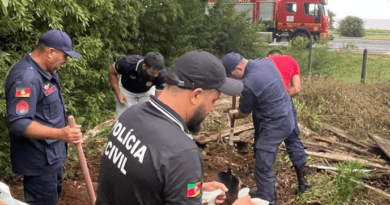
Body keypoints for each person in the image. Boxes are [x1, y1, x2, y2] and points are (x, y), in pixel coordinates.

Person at [96, 51, 258, 205]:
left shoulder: (130, 116)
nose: (212, 109)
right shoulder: (181, 152)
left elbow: (144, 185)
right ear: (196, 95)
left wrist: (196, 189)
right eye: (213, 101)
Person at [5, 30, 83, 205]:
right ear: (50, 52)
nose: (66, 61)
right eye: (65, 56)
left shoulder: (46, 73)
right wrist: (61, 134)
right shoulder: (27, 78)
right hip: (38, 163)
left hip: (51, 159)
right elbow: (19, 123)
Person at [222, 52, 300, 205]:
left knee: (263, 165)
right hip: (285, 115)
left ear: (239, 68)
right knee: (263, 157)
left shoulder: (249, 83)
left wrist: (234, 115)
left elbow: (244, 112)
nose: (234, 79)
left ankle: (268, 200)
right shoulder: (265, 62)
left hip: (275, 124)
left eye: (233, 76)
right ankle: (265, 192)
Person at [267, 50, 311, 193]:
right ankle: (303, 182)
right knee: (293, 140)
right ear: (280, 54)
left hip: (269, 106)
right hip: (286, 105)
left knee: (267, 142)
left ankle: (267, 189)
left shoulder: (264, 62)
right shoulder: (291, 61)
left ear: (270, 55)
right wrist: (283, 96)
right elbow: (296, 89)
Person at [107, 52, 168, 119]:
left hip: (147, 91)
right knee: (123, 117)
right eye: (152, 73)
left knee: (146, 117)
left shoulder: (162, 75)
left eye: (157, 73)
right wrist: (118, 94)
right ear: (144, 66)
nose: (156, 75)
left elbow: (159, 97)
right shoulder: (128, 63)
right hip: (126, 89)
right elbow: (112, 71)